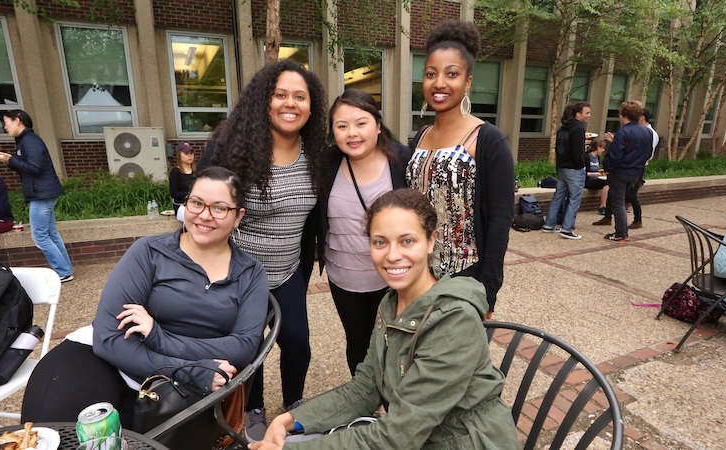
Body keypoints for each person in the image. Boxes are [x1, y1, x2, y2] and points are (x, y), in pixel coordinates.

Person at [248, 189, 519, 450]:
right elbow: (366, 387)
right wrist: (292, 419)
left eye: (407, 241)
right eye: (380, 242)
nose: (392, 255)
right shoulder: (391, 302)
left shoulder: (453, 319)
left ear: (431, 241)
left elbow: (397, 437)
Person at [21, 166, 269, 428]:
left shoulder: (250, 273)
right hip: (105, 360)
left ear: (238, 216)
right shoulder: (149, 252)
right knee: (54, 433)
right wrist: (190, 370)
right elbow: (109, 339)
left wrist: (159, 337)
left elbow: (243, 347)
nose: (204, 216)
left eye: (219, 208)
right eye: (196, 203)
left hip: (179, 390)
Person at [195, 59, 328, 442]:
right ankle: (252, 407)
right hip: (240, 275)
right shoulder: (233, 146)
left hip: (288, 270)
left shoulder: (317, 152)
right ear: (264, 101)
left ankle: (294, 406)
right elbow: (199, 202)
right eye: (281, 95)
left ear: (310, 105)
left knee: (297, 343)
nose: (290, 103)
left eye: (299, 97)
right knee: (249, 349)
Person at [407, 20, 515, 317]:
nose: (439, 83)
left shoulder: (488, 139)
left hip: (465, 276)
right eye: (431, 74)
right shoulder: (421, 136)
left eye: (451, 74)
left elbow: (499, 219)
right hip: (417, 273)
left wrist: (488, 292)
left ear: (467, 81)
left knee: (455, 359)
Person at [319, 89, 412, 376]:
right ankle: (368, 404)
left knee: (395, 344)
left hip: (394, 276)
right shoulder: (326, 163)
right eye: (342, 126)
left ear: (378, 125)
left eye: (361, 123)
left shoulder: (403, 160)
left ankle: (394, 403)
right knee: (358, 343)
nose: (352, 133)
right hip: (344, 276)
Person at [0, 110, 74, 282]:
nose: (5, 127)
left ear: (18, 121)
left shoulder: (29, 141)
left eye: (7, 122)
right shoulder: (26, 140)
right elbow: (28, 166)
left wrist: (10, 160)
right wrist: (10, 159)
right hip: (44, 192)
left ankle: (63, 271)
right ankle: (65, 270)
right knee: (50, 233)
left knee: (40, 236)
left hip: (42, 194)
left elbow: (35, 168)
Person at [599, 101, 653, 242]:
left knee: (617, 202)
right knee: (621, 200)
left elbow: (615, 155)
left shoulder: (623, 132)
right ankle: (621, 231)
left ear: (624, 115)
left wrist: (608, 167)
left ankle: (621, 233)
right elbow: (648, 153)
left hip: (621, 172)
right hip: (636, 172)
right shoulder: (647, 131)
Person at [542, 101, 591, 239]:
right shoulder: (578, 128)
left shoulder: (562, 128)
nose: (589, 116)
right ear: (578, 114)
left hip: (562, 167)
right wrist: (582, 165)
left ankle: (549, 225)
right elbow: (577, 152)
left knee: (558, 196)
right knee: (574, 199)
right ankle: (567, 229)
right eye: (587, 113)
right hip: (574, 169)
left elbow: (559, 149)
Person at [169, 141, 196, 219]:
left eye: (191, 153)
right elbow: (173, 193)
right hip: (181, 206)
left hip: (197, 206)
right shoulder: (175, 172)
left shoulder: (197, 171)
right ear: (179, 155)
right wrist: (190, 195)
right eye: (186, 153)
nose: (190, 156)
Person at [584, 139, 609, 214]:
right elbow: (582, 172)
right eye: (602, 148)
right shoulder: (586, 157)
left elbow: (595, 169)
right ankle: (602, 206)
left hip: (595, 179)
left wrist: (599, 171)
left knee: (610, 182)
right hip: (587, 180)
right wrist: (593, 174)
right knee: (607, 183)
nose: (603, 150)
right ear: (598, 147)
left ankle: (607, 205)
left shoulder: (597, 158)